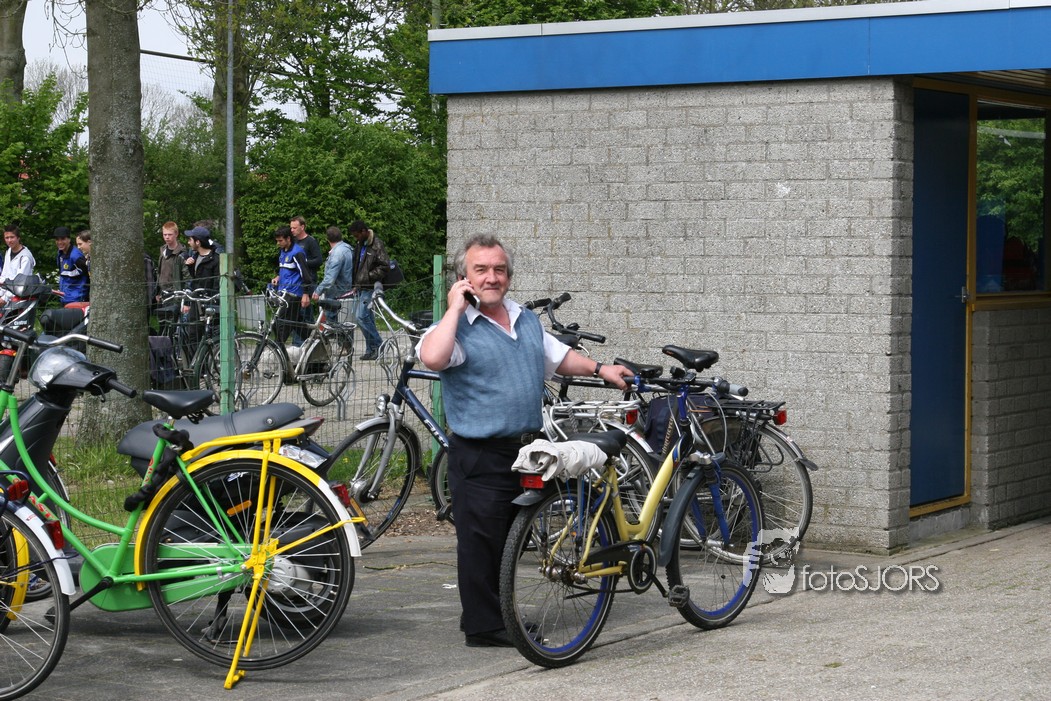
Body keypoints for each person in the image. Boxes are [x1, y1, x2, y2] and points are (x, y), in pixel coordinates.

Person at [417, 234, 633, 648]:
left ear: (509, 276)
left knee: (508, 541)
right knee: (481, 543)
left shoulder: (524, 319)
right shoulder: (455, 328)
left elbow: (557, 357)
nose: (492, 277)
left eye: (499, 270)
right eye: (481, 270)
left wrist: (600, 368)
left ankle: (494, 613)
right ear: (464, 277)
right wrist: (454, 308)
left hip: (525, 449)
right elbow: (434, 358)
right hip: (479, 453)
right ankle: (485, 627)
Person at [348, 220, 389, 360]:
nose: (356, 238)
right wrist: (355, 283)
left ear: (364, 231)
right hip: (360, 286)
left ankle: (379, 344)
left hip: (371, 286)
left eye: (357, 235)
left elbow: (385, 266)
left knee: (361, 317)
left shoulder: (377, 244)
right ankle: (371, 349)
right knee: (367, 318)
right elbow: (357, 266)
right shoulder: (359, 244)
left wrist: (367, 276)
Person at [271, 225, 314, 346]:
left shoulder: (297, 253)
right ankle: (315, 343)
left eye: (280, 241)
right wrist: (278, 278)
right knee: (297, 324)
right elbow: (286, 270)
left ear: (288, 239)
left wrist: (305, 294)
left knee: (281, 326)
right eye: (277, 241)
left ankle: (278, 350)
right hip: (284, 294)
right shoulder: (282, 251)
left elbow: (306, 275)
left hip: (294, 295)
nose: (278, 243)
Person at [311, 226, 354, 324]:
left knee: (332, 325)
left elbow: (330, 279)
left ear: (327, 239)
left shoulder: (336, 254)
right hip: (348, 292)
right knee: (346, 326)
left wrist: (318, 291)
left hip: (336, 294)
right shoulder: (348, 248)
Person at [290, 216, 322, 344]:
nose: (292, 230)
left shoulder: (311, 242)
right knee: (298, 314)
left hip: (308, 281)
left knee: (303, 313)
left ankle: (302, 343)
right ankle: (307, 341)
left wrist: (302, 263)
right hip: (295, 283)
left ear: (302, 227)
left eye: (294, 228)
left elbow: (318, 260)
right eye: (291, 228)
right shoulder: (292, 242)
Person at [53, 226, 90, 304]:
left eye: (63, 239)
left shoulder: (76, 256)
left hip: (77, 299)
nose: (59, 242)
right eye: (57, 239)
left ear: (69, 239)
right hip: (64, 297)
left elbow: (88, 275)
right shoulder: (60, 254)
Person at [0, 224, 37, 304]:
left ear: (18, 238)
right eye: (7, 238)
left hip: (19, 298)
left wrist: (4, 299)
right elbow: (4, 275)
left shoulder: (25, 257)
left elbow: (19, 283)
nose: (9, 240)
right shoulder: (9, 251)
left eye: (12, 237)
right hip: (6, 292)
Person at [157, 221, 189, 301]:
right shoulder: (162, 251)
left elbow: (187, 278)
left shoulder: (182, 254)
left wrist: (186, 300)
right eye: (165, 234)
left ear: (176, 234)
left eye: (170, 234)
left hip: (176, 294)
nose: (167, 237)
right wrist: (157, 291)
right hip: (162, 293)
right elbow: (159, 272)